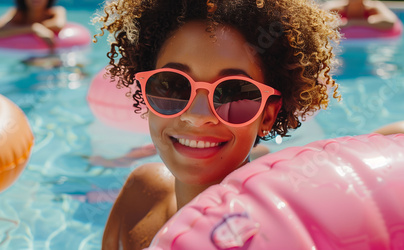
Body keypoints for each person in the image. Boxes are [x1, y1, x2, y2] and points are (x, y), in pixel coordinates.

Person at [93, 0, 341, 249]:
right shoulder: (140, 196)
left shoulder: (277, 237)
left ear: (267, 116)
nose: (198, 115)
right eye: (172, 85)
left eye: (233, 93)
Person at [0, 0, 66, 52]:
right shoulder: (17, 13)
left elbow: (58, 25)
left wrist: (38, 27)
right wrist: (34, 28)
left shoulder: (56, 11)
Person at [323, 0, 399, 30]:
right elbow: (318, 21)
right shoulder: (335, 7)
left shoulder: (373, 7)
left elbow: (391, 22)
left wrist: (352, 23)